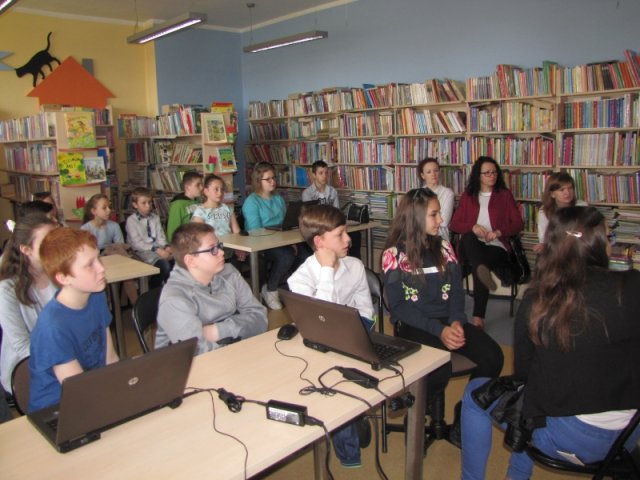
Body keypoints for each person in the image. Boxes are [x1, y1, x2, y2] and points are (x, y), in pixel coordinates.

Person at [461, 206, 640, 480]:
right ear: (597, 244)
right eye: (609, 237)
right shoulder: (633, 284)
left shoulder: (538, 300)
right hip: (628, 436)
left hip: (565, 437)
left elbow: (524, 373)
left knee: (477, 395)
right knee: (533, 401)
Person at [382, 188, 503, 446]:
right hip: (414, 324)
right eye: (434, 214)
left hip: (448, 321)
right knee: (439, 368)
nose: (441, 220)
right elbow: (399, 308)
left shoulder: (445, 247)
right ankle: (417, 413)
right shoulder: (394, 254)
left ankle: (465, 413)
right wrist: (439, 331)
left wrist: (457, 321)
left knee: (493, 357)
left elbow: (457, 292)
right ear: (415, 217)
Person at [287, 203, 373, 467]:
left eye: (346, 232)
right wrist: (326, 271)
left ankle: (355, 416)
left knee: (351, 368)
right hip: (317, 344)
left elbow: (366, 310)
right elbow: (320, 321)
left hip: (355, 336)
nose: (348, 240)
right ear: (319, 242)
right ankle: (349, 450)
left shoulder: (355, 266)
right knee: (334, 380)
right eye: (340, 235)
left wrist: (357, 332)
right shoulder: (299, 279)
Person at [28, 227, 119, 412]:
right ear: (63, 278)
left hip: (95, 392)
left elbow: (110, 360)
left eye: (98, 258)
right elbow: (80, 392)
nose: (101, 268)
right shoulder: (53, 327)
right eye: (89, 265)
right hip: (58, 409)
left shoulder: (95, 295)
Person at [155, 223, 267, 355]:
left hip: (232, 349)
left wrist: (217, 331)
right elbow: (197, 352)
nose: (222, 252)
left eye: (219, 246)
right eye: (213, 249)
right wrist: (238, 328)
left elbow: (260, 319)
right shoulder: (174, 299)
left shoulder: (229, 273)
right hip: (189, 364)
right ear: (190, 261)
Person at [450, 156, 524, 329]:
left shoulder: (504, 195)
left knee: (479, 264)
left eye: (494, 172)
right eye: (487, 173)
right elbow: (454, 224)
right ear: (478, 175)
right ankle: (478, 317)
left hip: (495, 246)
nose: (492, 176)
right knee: (470, 239)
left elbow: (518, 224)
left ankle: (478, 315)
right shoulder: (469, 196)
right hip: (470, 245)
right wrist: (473, 227)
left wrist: (498, 232)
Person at [0, 214, 58, 395]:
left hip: (62, 356)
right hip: (28, 367)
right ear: (26, 249)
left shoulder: (59, 274)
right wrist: (62, 365)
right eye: (47, 242)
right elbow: (22, 346)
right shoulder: (7, 289)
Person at [241, 162, 295, 310]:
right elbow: (255, 231)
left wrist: (290, 240)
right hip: (262, 244)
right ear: (259, 181)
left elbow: (286, 223)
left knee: (305, 252)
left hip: (281, 240)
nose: (273, 181)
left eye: (274, 178)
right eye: (268, 179)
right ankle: (271, 289)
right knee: (286, 256)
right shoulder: (251, 202)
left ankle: (293, 290)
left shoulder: (278, 199)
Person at [81, 193, 137, 305]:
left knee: (127, 276)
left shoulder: (114, 226)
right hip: (97, 260)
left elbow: (120, 245)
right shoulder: (85, 229)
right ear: (94, 211)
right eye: (104, 208)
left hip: (114, 257)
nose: (109, 210)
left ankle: (136, 306)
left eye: (109, 207)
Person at [302, 160, 362, 258]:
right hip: (318, 227)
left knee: (355, 234)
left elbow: (337, 212)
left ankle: (353, 262)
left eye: (326, 173)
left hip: (333, 225)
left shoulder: (332, 191)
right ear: (314, 175)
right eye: (321, 173)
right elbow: (309, 217)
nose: (324, 176)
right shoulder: (307, 193)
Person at [191, 174, 247, 263]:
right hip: (211, 251)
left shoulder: (227, 209)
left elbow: (236, 232)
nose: (220, 193)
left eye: (222, 189)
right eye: (216, 189)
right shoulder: (200, 211)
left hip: (229, 249)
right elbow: (199, 237)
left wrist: (239, 248)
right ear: (206, 191)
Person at [125, 187, 173, 287]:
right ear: (135, 205)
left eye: (150, 202)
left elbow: (160, 236)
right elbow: (137, 244)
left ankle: (168, 289)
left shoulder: (155, 217)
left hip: (156, 250)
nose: (148, 206)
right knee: (164, 266)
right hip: (140, 252)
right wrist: (157, 250)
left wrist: (166, 247)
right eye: (144, 203)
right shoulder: (131, 221)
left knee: (175, 260)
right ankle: (152, 289)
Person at [533, 172, 587, 253]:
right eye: (562, 190)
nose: (567, 193)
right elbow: (544, 239)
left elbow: (588, 233)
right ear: (552, 194)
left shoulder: (582, 206)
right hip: (556, 252)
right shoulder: (544, 212)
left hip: (580, 250)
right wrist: (542, 246)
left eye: (570, 188)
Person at [417, 157, 455, 240]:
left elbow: (444, 222)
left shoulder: (448, 193)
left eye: (436, 171)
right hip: (419, 233)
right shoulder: (418, 193)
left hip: (439, 234)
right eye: (429, 172)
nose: (433, 174)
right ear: (423, 175)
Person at [166, 171, 203, 242]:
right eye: (198, 185)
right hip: (184, 242)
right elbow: (173, 230)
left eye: (201, 184)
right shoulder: (177, 205)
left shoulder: (199, 201)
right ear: (187, 187)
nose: (201, 187)